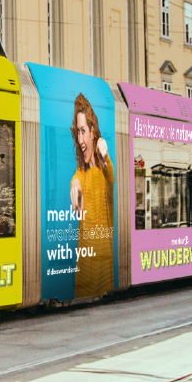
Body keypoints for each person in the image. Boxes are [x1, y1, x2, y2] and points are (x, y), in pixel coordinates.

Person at [69, 93, 115, 299]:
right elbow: (76, 181)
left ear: (93, 132)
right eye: (77, 132)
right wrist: (75, 185)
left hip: (103, 264)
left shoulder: (104, 168)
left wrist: (103, 155)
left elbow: (110, 174)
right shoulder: (81, 172)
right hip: (85, 264)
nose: (80, 140)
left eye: (83, 132)